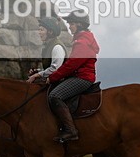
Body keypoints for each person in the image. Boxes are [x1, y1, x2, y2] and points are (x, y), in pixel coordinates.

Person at [44, 10, 100, 143]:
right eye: (69, 23)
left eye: (72, 23)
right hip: (80, 76)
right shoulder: (82, 40)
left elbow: (71, 65)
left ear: (80, 24)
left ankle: (71, 130)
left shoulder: (82, 42)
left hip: (82, 78)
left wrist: (52, 77)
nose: (69, 26)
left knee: (54, 96)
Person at [26, 17, 67, 84]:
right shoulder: (47, 46)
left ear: (50, 32)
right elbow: (48, 68)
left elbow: (55, 69)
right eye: (39, 30)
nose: (39, 32)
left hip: (60, 83)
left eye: (41, 30)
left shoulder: (57, 47)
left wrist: (38, 75)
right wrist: (37, 71)